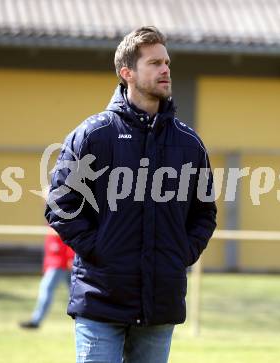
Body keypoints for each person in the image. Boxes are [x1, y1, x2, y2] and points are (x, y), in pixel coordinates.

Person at [45, 26, 217, 362]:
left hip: (160, 303)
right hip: (100, 300)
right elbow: (61, 205)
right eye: (154, 63)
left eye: (166, 62)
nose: (165, 69)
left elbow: (204, 212)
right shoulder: (94, 135)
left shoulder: (188, 143)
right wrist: (99, 249)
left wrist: (180, 253)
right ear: (128, 73)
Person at [19, 230, 74, 329]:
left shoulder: (64, 216)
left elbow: (70, 237)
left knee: (47, 289)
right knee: (75, 293)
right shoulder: (52, 220)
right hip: (55, 263)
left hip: (60, 264)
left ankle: (36, 321)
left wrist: (70, 257)